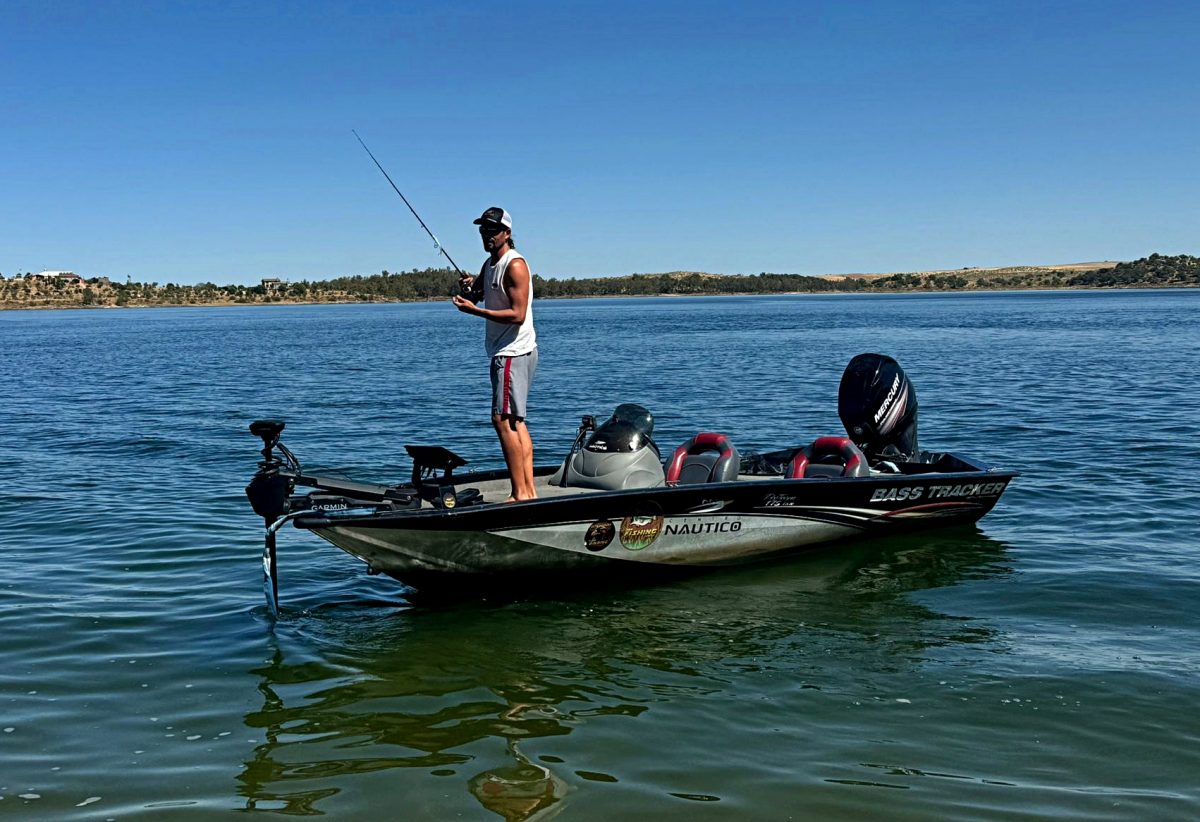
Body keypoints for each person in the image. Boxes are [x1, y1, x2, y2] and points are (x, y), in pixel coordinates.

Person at [452, 207, 539, 502]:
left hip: (513, 352)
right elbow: (478, 291)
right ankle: (528, 491)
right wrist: (470, 289)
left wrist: (474, 311)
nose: (486, 235)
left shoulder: (515, 265)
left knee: (503, 420)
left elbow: (516, 313)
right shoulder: (490, 264)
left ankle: (521, 494)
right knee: (515, 421)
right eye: (483, 230)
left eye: (492, 230)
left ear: (507, 233)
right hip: (505, 352)